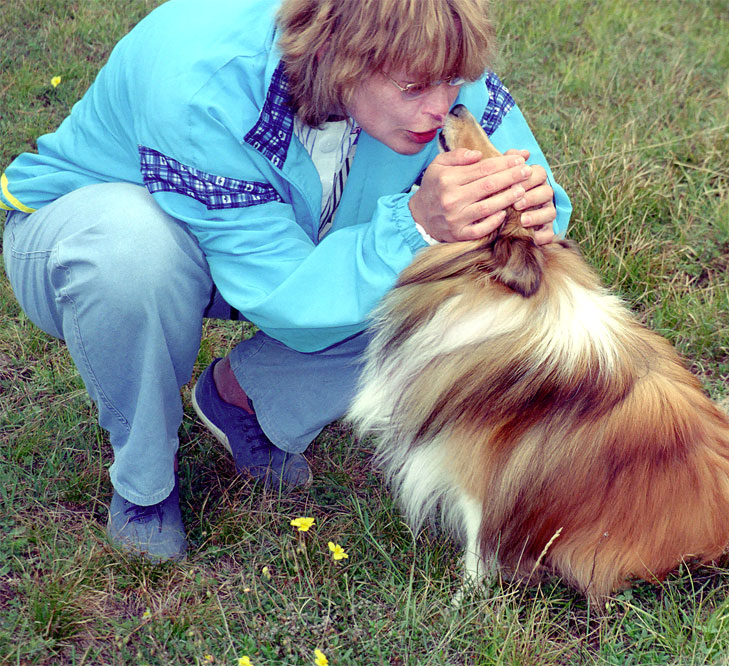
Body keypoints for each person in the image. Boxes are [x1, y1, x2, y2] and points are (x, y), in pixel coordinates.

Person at [1, 0, 570, 562]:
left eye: (453, 81)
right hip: (91, 242)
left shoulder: (425, 46)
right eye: (415, 88)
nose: (443, 107)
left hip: (280, 247)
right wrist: (415, 225)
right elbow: (289, 301)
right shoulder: (202, 75)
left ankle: (247, 397)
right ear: (337, 56)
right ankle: (144, 484)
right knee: (132, 252)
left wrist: (526, 210)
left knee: (473, 279)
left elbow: (531, 205)